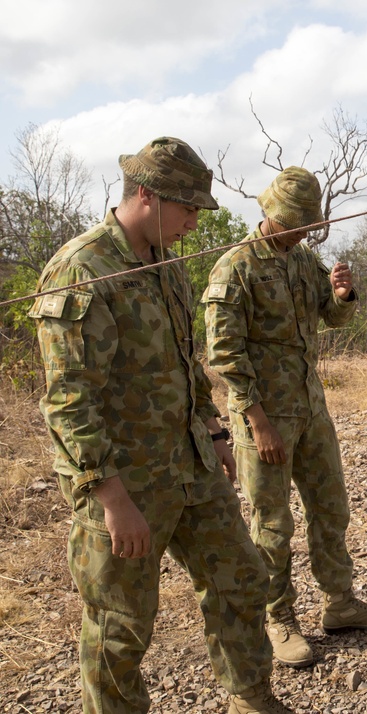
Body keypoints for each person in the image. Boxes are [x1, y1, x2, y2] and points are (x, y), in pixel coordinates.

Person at [29, 137, 290, 714]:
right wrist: (111, 497)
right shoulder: (82, 268)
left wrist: (216, 434)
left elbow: (185, 361)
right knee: (119, 627)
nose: (194, 222)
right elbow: (69, 399)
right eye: (188, 208)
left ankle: (251, 697)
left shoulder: (167, 264)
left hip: (190, 466)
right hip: (125, 480)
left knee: (242, 580)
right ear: (146, 196)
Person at [203, 166, 367, 669]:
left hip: (310, 407)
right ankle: (277, 617)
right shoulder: (236, 267)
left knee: (331, 506)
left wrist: (340, 295)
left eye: (309, 223)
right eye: (296, 221)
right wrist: (258, 421)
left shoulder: (304, 260)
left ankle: (340, 603)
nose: (303, 231)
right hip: (263, 415)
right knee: (272, 522)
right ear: (271, 212)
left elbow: (331, 319)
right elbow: (224, 354)